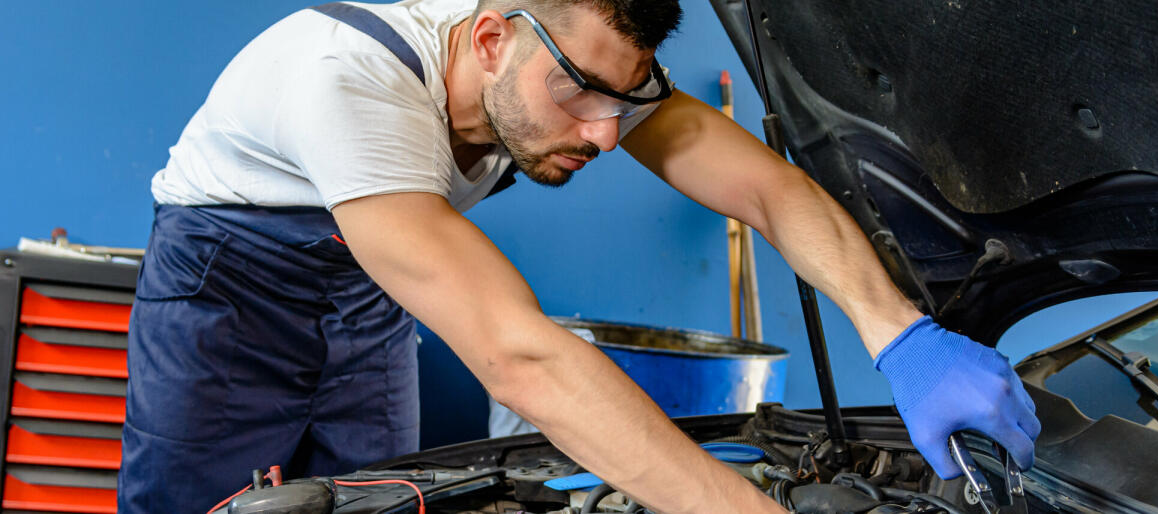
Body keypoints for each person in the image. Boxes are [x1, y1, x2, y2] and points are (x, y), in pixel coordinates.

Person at [119, 1, 1041, 512]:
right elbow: (519, 355)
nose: (606, 137)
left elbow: (766, 188)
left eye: (625, 100)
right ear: (490, 38)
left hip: (368, 293)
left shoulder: (578, 63)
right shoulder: (345, 78)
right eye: (582, 95)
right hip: (226, 293)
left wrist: (903, 336)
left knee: (384, 503)